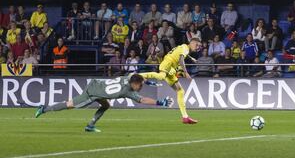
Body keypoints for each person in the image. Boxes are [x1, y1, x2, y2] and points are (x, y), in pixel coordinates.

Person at [35, 74, 174, 132]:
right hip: (92, 92)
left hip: (97, 84)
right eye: (140, 86)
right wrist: (161, 103)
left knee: (106, 105)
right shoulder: (128, 91)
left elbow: (138, 76)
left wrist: (149, 82)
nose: (141, 88)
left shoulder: (129, 78)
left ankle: (90, 126)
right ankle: (44, 109)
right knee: (69, 105)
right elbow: (143, 100)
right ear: (134, 84)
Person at [140, 38, 201, 124]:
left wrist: (191, 58)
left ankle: (185, 117)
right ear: (191, 43)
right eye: (196, 45)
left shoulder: (184, 47)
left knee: (180, 91)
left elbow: (181, 53)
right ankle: (138, 75)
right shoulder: (185, 49)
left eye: (199, 46)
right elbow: (181, 59)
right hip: (168, 63)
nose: (198, 47)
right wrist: (186, 72)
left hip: (171, 68)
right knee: (161, 76)